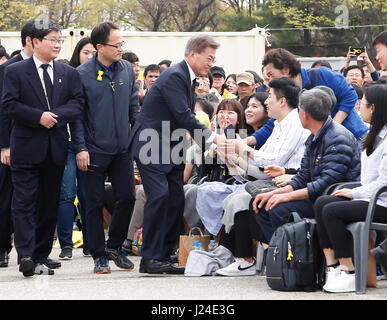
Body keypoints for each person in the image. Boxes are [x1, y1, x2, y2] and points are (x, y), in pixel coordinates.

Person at [215, 87, 360, 277]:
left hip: (332, 197)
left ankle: (300, 260)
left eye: (299, 110)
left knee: (276, 208)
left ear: (305, 114)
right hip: (316, 193)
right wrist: (274, 194)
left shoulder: (337, 137)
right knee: (260, 203)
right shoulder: (314, 136)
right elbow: (302, 177)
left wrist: (285, 197)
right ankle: (283, 256)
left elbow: (325, 184)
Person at [129, 34, 227, 274]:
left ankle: (164, 254)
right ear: (193, 54)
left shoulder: (187, 78)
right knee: (160, 196)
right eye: (208, 58)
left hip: (170, 145)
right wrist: (213, 140)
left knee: (175, 198)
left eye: (214, 59)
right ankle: (150, 258)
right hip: (151, 144)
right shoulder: (175, 75)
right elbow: (184, 115)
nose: (211, 64)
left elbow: (181, 119)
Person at [2, 21, 84, 277]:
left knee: (49, 204)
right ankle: (25, 254)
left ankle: (40, 254)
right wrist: (38, 117)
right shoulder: (15, 72)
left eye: (59, 40)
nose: (58, 45)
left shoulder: (67, 72)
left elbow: (78, 104)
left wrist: (54, 116)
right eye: (52, 40)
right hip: (26, 147)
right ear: (35, 42)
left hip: (56, 149)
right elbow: (9, 105)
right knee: (24, 202)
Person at [72, 22, 139, 274]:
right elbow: (77, 116)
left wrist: (135, 137)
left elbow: (134, 107)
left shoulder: (126, 70)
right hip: (93, 148)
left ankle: (115, 247)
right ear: (100, 47)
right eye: (117, 45)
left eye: (123, 44)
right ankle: (99, 255)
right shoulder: (81, 74)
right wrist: (80, 147)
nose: (121, 49)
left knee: (128, 197)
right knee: (93, 201)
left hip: (122, 148)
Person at [314, 84, 387, 293]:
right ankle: (333, 266)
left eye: (361, 104)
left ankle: (349, 269)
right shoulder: (372, 134)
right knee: (322, 202)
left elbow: (383, 183)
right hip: (368, 198)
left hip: (381, 203)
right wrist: (354, 192)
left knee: (332, 210)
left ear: (372, 107)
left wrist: (354, 192)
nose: (358, 108)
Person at [246, 48, 368, 149]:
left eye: (271, 75)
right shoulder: (288, 95)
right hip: (328, 146)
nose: (271, 81)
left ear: (286, 70)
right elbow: (275, 122)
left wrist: (332, 127)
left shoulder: (321, 74)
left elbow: (350, 95)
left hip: (356, 138)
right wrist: (248, 140)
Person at [56, 37, 96, 260]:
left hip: (91, 144)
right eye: (85, 52)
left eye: (93, 53)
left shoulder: (98, 77)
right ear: (77, 54)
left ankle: (90, 242)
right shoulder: (67, 76)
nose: (89, 57)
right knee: (67, 194)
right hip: (67, 144)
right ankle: (66, 244)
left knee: (88, 194)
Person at [0, 20, 35, 268]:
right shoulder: (9, 69)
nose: (55, 44)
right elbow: (3, 111)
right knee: (6, 199)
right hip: (11, 145)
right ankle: (3, 247)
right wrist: (4, 146)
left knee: (35, 201)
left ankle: (33, 253)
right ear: (30, 41)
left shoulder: (51, 69)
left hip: (38, 144)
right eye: (50, 39)